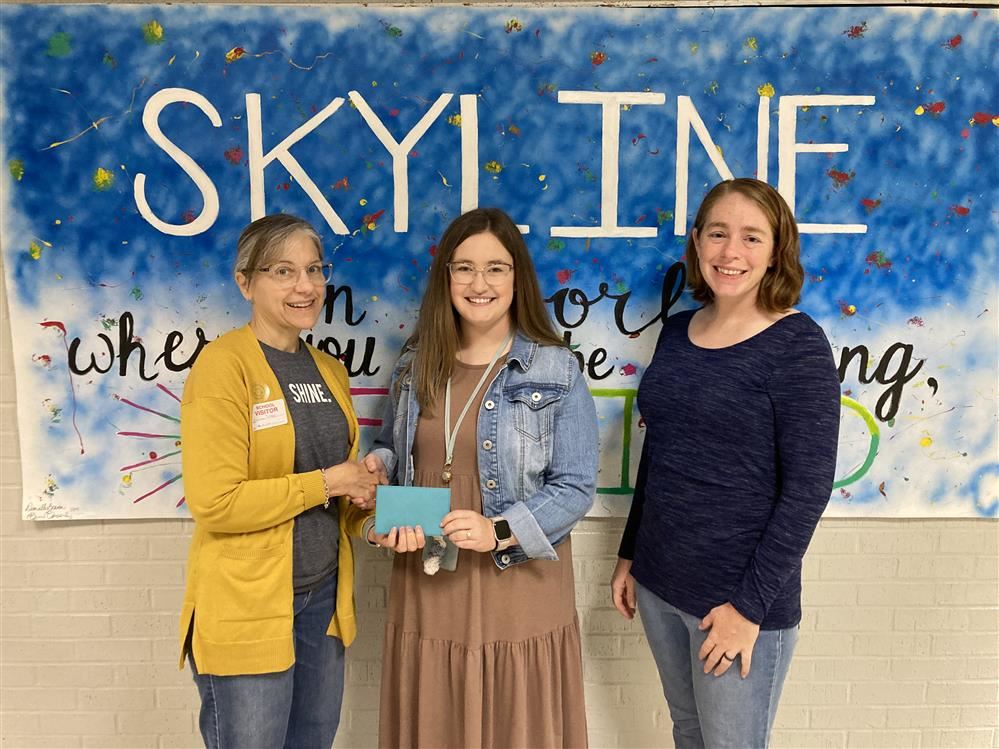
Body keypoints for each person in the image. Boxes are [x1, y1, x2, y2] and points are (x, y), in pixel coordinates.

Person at [610, 178, 841, 749]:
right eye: (717, 234)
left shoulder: (797, 346)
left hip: (736, 603)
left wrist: (747, 608)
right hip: (661, 583)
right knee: (688, 732)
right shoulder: (678, 333)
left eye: (750, 237)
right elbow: (659, 454)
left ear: (775, 251)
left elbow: (808, 490)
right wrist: (630, 553)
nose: (730, 253)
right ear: (696, 242)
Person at [364, 207, 598, 748]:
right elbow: (394, 449)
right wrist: (378, 468)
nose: (479, 283)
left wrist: (499, 530)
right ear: (446, 277)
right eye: (464, 267)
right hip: (428, 574)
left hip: (514, 575)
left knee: (515, 720)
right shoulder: (415, 363)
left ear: (518, 277)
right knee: (437, 713)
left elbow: (575, 485)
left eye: (496, 268)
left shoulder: (555, 367)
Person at [178, 213, 384, 749]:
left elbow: (340, 488)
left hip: (322, 603)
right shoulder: (223, 368)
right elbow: (216, 503)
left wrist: (371, 513)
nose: (306, 286)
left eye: (314, 269)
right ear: (245, 282)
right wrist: (326, 482)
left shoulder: (329, 370)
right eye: (284, 271)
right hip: (248, 607)